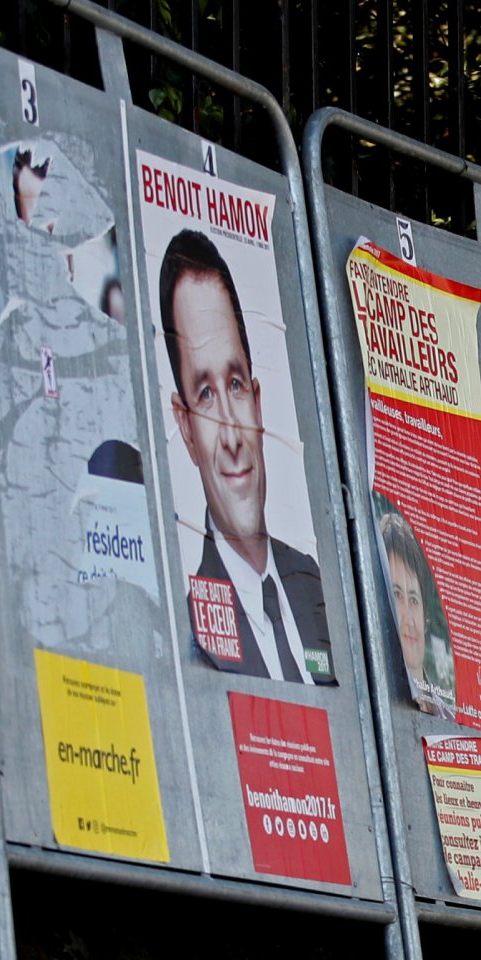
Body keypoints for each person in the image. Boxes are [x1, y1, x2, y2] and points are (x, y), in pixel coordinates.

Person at [161, 228, 334, 685]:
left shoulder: (312, 582)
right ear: (186, 427)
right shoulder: (190, 627)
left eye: (235, 385)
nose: (234, 436)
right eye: (205, 394)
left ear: (257, 401)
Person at [380, 500, 455, 719]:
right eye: (396, 595)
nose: (409, 620)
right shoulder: (384, 710)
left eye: (413, 599)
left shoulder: (449, 719)